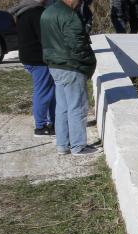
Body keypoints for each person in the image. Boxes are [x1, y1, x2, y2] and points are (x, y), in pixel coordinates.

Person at [41, 0, 99, 156]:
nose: (80, 4)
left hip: (54, 65)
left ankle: (62, 145)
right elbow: (79, 45)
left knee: (62, 107)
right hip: (72, 67)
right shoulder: (70, 16)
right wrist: (90, 63)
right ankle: (78, 146)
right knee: (77, 107)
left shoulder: (47, 12)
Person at [9, 0, 54, 137]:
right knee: (43, 92)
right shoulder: (37, 13)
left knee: (49, 91)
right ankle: (40, 126)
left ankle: (53, 122)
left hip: (30, 57)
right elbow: (45, 38)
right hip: (38, 59)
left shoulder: (24, 12)